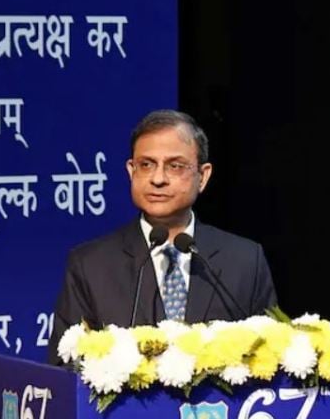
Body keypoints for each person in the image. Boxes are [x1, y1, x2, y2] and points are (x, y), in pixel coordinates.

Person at [47, 109, 277, 365]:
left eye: (175, 166)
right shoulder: (90, 265)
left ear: (203, 176)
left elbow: (271, 359)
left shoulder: (245, 261)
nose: (158, 179)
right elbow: (64, 367)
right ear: (131, 171)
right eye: (146, 165)